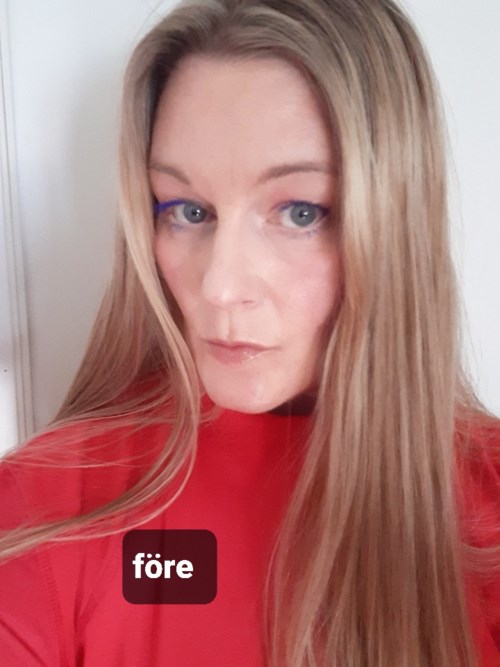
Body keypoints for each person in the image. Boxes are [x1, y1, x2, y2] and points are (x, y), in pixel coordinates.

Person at [0, 0, 499, 665]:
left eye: (300, 212)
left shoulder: (487, 506)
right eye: (187, 209)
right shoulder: (49, 503)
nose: (218, 286)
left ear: (394, 222)